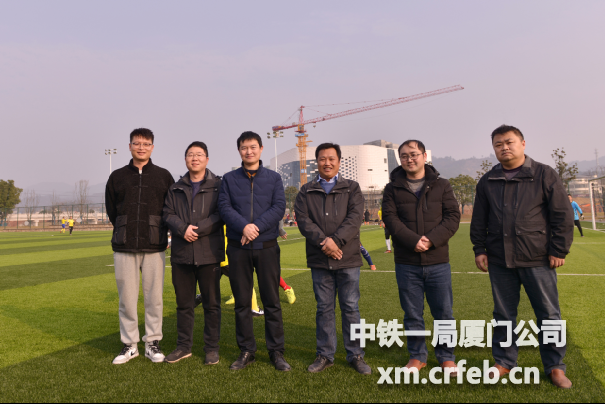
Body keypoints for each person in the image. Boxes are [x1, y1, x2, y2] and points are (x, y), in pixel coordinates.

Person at [471, 125, 574, 389]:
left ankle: (555, 366)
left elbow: (562, 214)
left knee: (549, 314)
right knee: (503, 315)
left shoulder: (544, 174)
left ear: (523, 143)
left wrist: (559, 249)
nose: (504, 147)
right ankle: (504, 361)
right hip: (499, 259)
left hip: (537, 257)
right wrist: (479, 249)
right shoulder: (488, 180)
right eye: (498, 144)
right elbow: (479, 218)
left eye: (509, 142)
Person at [382, 139, 461, 374]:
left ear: (424, 156)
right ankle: (417, 356)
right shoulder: (392, 188)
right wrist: (412, 241)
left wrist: (431, 240)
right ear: (400, 160)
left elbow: (452, 217)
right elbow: (391, 219)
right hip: (407, 262)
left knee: (443, 313)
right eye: (404, 156)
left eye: (414, 154)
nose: (409, 159)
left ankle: (446, 357)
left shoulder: (442, 185)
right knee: (412, 313)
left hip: (438, 260)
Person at [295, 142, 371, 375]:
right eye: (322, 159)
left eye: (331, 159)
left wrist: (336, 241)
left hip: (347, 257)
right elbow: (303, 220)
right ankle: (325, 355)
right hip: (320, 259)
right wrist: (324, 243)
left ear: (339, 161)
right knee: (324, 308)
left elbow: (355, 218)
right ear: (316, 162)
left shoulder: (352, 188)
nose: (327, 163)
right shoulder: (306, 190)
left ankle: (355, 354)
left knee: (351, 307)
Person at [217, 131, 290, 372]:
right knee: (242, 302)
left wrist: (255, 227)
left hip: (267, 247)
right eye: (244, 147)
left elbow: (279, 207)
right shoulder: (229, 179)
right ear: (239, 150)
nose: (248, 151)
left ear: (261, 149)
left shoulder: (274, 178)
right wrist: (244, 227)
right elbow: (224, 207)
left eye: (252, 147)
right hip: (238, 248)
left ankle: (276, 352)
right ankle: (246, 351)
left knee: (272, 301)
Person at [105, 128, 175, 365]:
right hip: (124, 246)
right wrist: (125, 229)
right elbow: (112, 210)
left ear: (152, 147)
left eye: (146, 144)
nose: (141, 147)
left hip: (154, 245)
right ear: (130, 146)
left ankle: (152, 342)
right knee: (127, 299)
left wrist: (160, 232)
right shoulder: (117, 176)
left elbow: (170, 209)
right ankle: (130, 345)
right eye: (137, 143)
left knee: (154, 299)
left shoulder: (164, 176)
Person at [162, 141, 224, 365]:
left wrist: (197, 229)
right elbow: (167, 214)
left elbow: (222, 213)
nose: (194, 158)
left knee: (211, 305)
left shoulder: (219, 185)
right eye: (190, 154)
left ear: (207, 159)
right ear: (185, 159)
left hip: (209, 254)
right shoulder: (175, 188)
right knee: (184, 304)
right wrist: (182, 229)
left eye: (199, 154)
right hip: (182, 254)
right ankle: (183, 346)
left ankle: (211, 348)